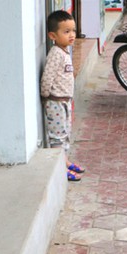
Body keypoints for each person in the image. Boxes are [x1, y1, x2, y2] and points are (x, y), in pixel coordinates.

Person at [40, 10, 85, 182]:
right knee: (58, 136)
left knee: (65, 133)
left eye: (73, 30)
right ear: (53, 35)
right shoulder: (55, 54)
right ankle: (59, 169)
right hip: (55, 102)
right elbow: (47, 77)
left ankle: (64, 161)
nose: (72, 35)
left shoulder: (64, 51)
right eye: (66, 32)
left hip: (65, 101)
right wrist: (46, 96)